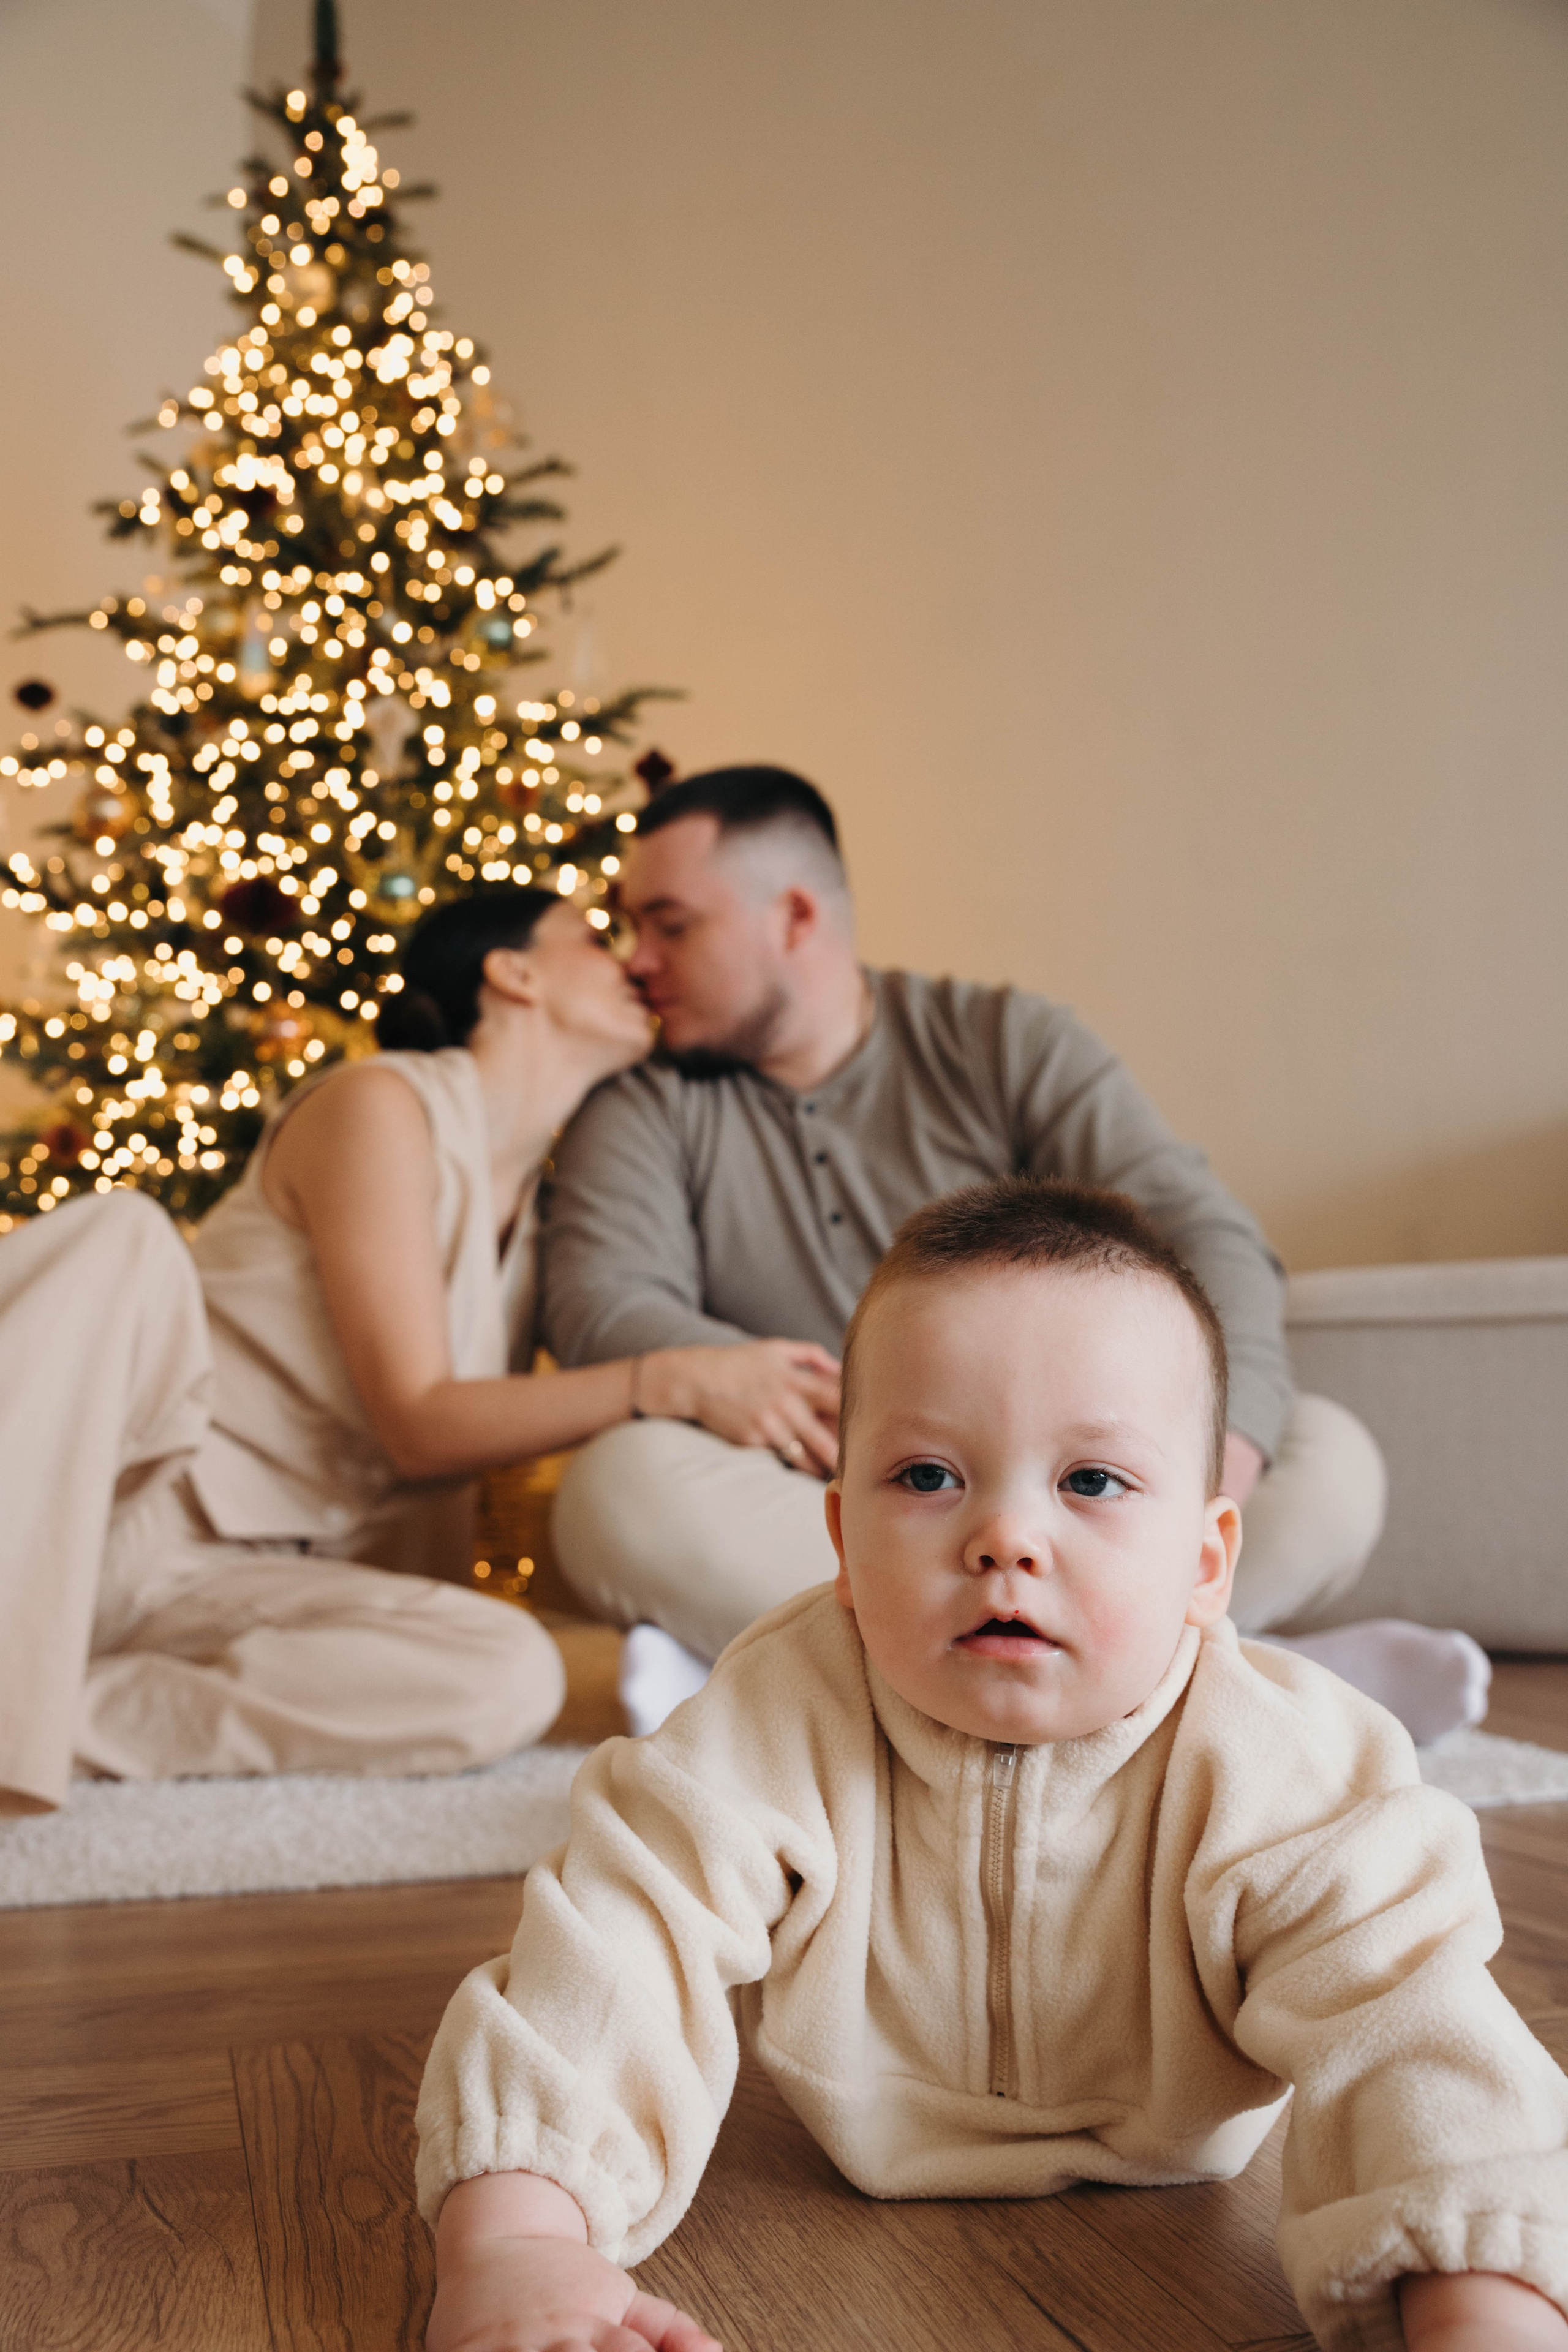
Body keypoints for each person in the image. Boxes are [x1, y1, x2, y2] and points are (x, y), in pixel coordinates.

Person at [417, 1181, 1568, 2352]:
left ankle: (1298, 1654)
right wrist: (518, 2236)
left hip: (1189, 2144)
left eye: (1091, 1482)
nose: (1005, 1538)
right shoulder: (778, 1712)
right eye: (928, 1477)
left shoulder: (1279, 1764)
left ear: (1207, 1560)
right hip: (865, 2159)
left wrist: (1485, 2288)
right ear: (843, 1544)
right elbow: (616, 1946)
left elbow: (1412, 2019)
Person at [540, 765, 1487, 1744]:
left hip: (1068, 1508)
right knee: (618, 1487)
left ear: (794, 917)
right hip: (843, 1498)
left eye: (669, 925)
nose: (637, 961)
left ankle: (784, 1692)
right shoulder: (644, 1106)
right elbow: (599, 1308)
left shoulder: (1002, 1041)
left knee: (1333, 1460)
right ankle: (1232, 1689)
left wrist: (1203, 1478)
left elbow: (1211, 1241)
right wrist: (807, 1397)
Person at [0, 886, 785, 1815]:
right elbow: (419, 1421)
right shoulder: (376, 1103)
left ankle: (66, 1724)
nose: (635, 967)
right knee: (124, 1234)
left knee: (510, 1675)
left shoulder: (548, 1225)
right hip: (114, 1509)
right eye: (595, 939)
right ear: (513, 972)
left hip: (253, 1590)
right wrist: (671, 1381)